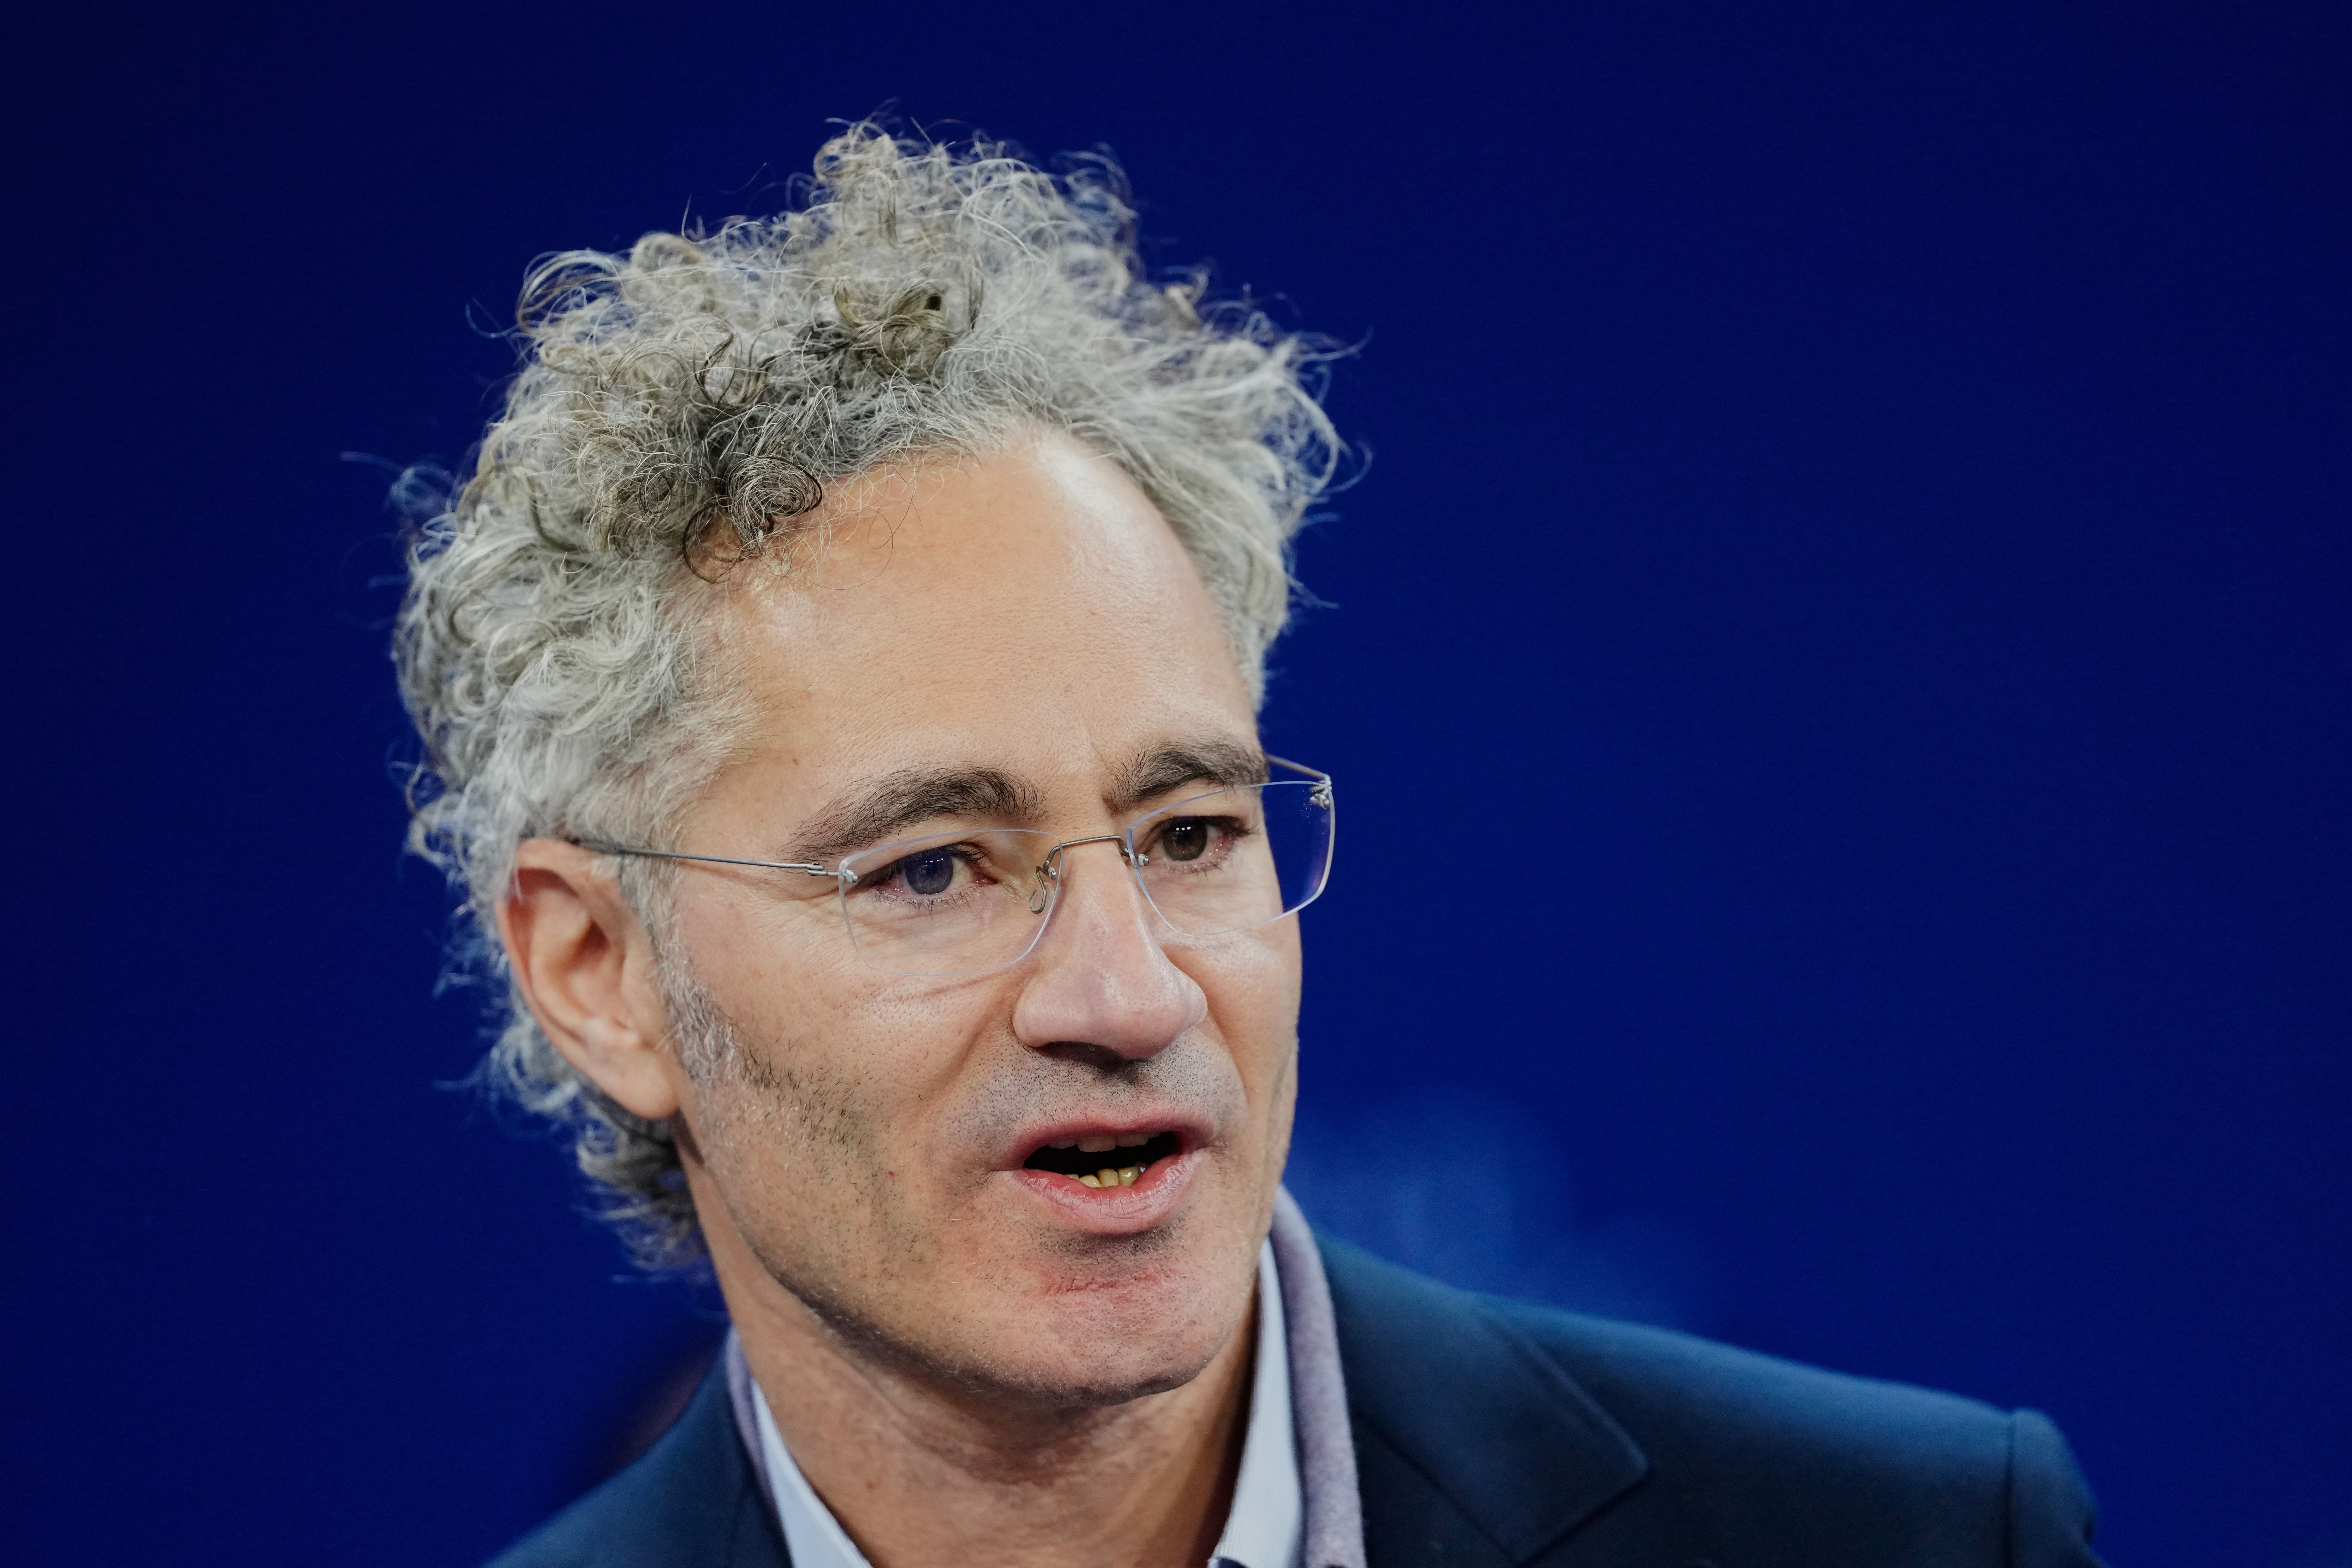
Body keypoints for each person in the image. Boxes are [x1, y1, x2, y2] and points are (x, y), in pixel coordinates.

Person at [394, 123, 2106, 1568]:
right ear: (597, 970)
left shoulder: (1913, 1538)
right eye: (932, 866)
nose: (1128, 992)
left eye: (1190, 831)